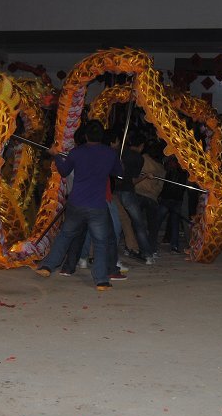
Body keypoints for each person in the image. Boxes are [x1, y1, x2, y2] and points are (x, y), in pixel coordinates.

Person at [34, 120, 124, 291]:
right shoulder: (109, 153)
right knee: (100, 242)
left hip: (76, 203)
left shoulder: (77, 152)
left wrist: (56, 155)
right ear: (102, 136)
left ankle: (48, 266)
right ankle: (101, 281)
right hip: (97, 205)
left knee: (65, 236)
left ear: (86, 135)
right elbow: (119, 173)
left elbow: (64, 171)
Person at [114, 131, 156, 264]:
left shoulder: (120, 152)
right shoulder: (138, 158)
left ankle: (128, 248)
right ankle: (148, 254)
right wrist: (145, 176)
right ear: (141, 145)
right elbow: (132, 181)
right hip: (127, 192)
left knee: (120, 222)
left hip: (114, 192)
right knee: (138, 224)